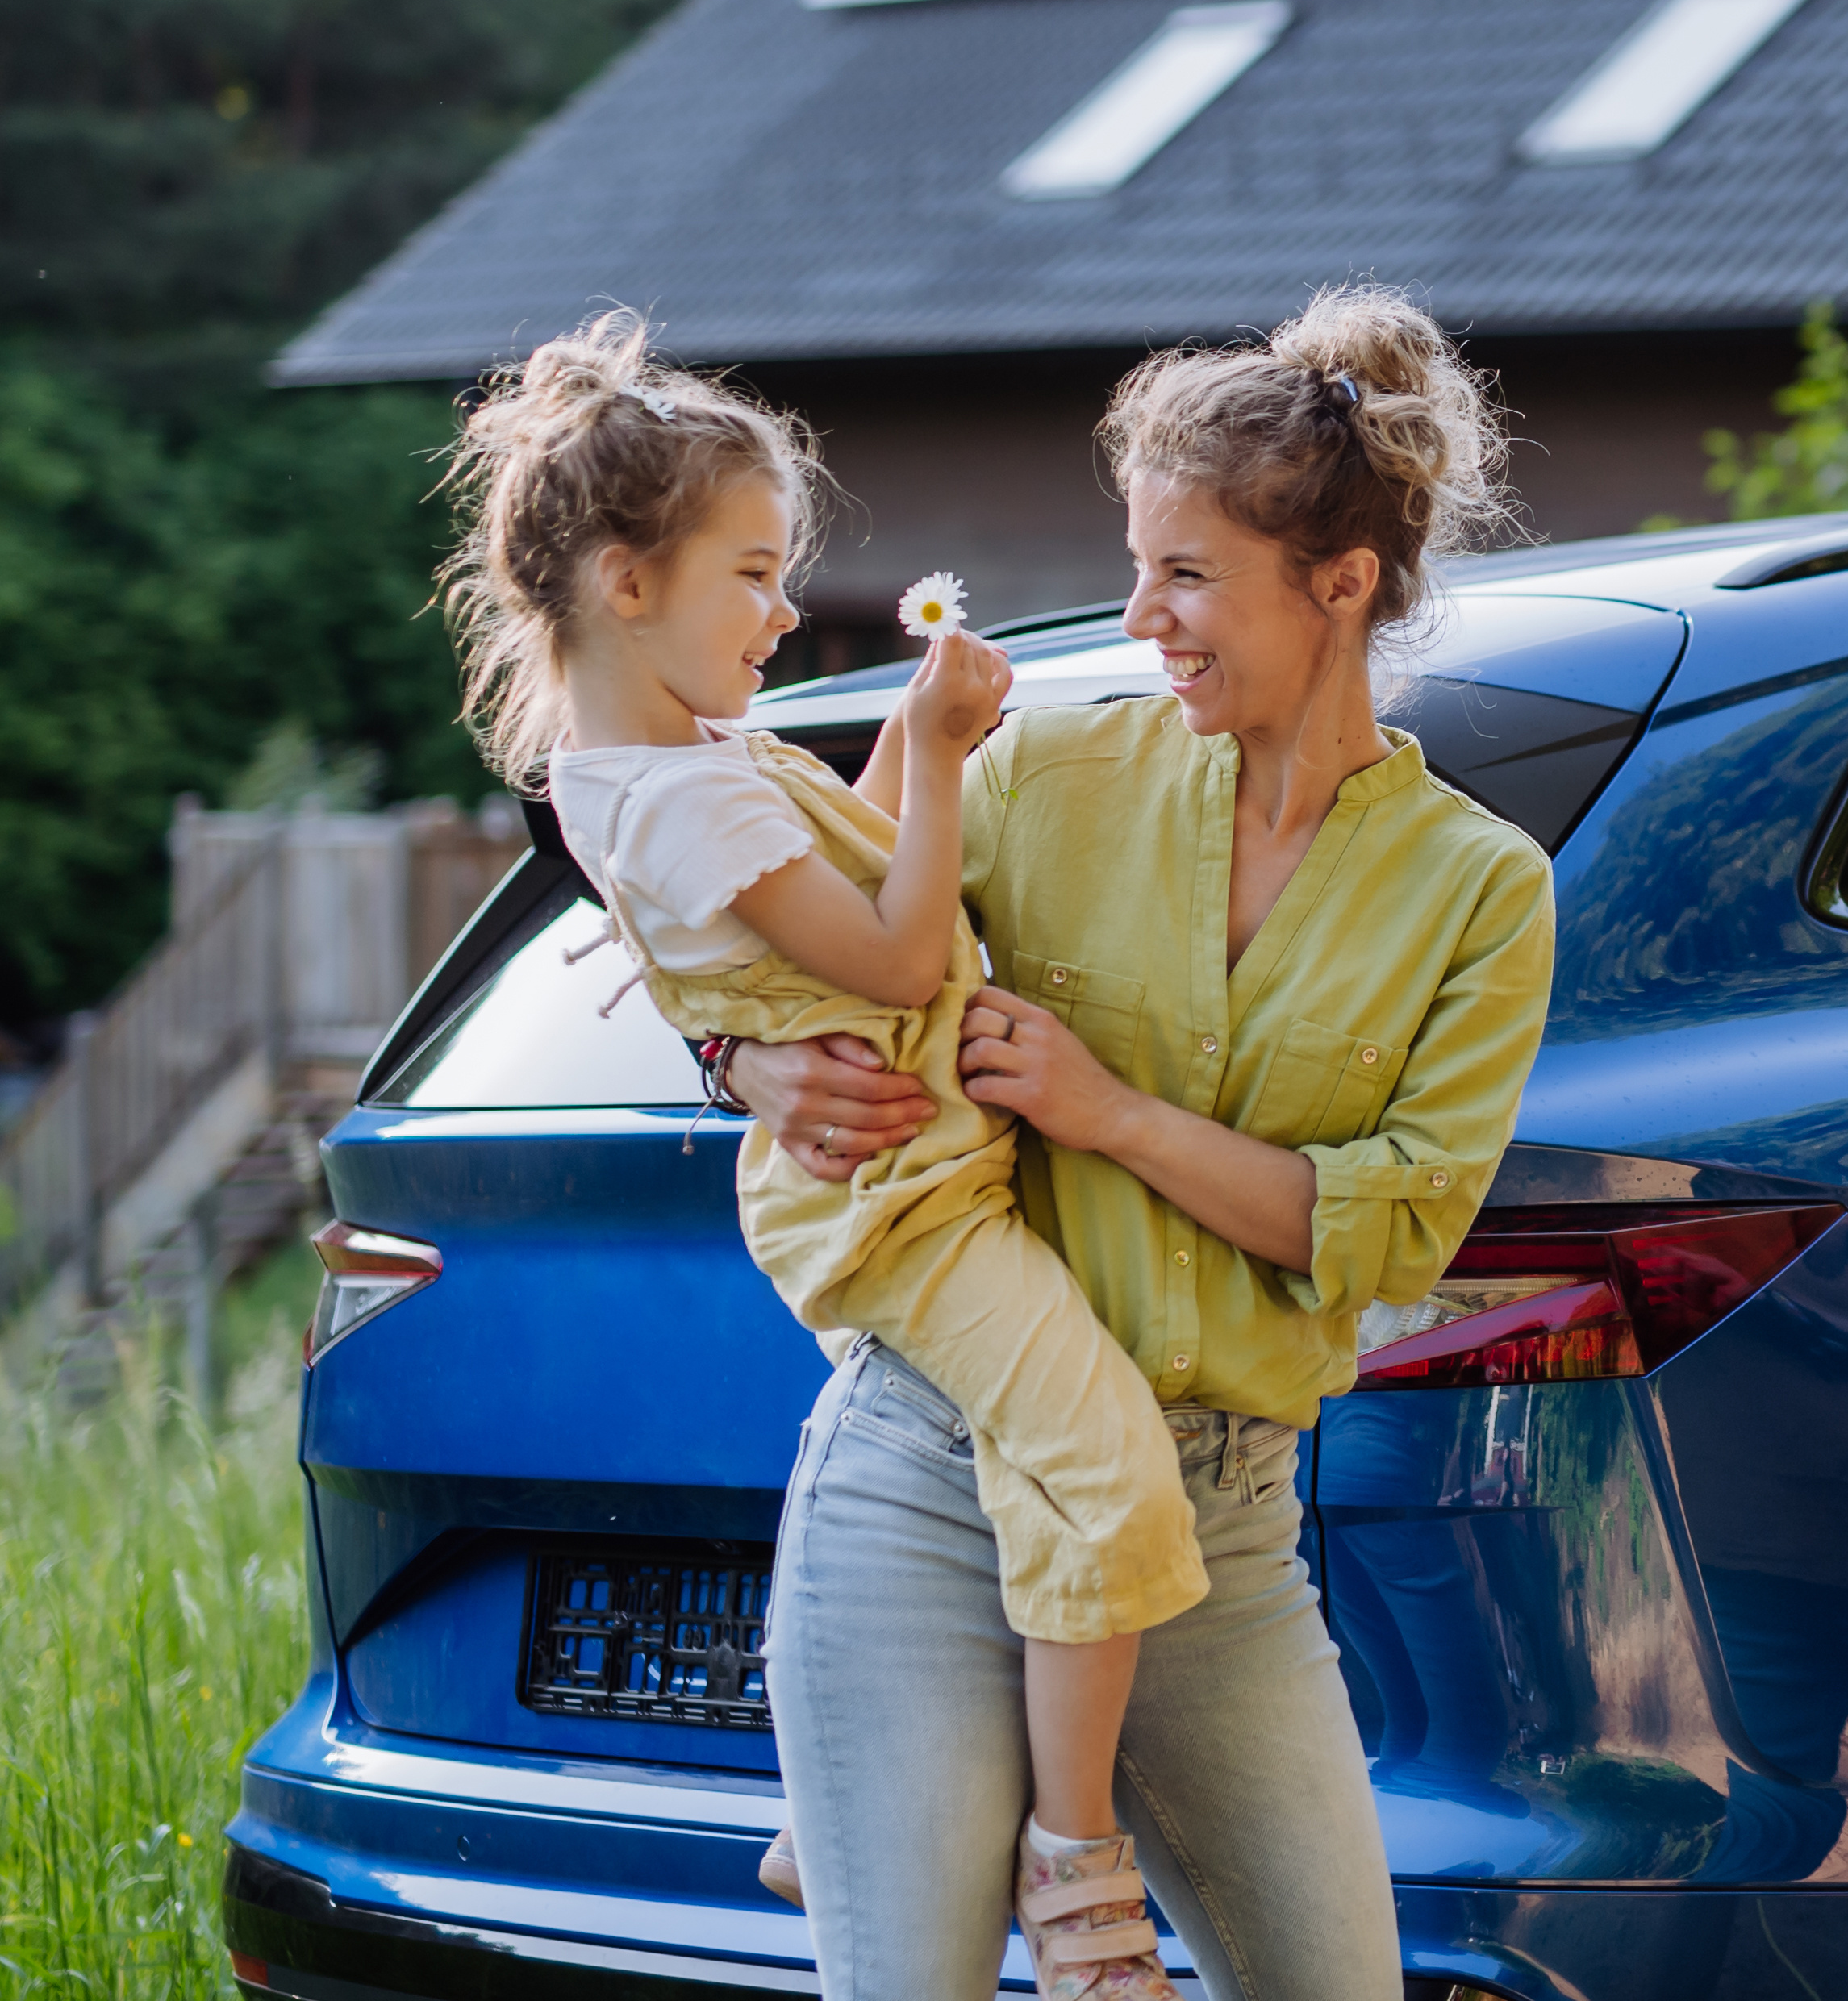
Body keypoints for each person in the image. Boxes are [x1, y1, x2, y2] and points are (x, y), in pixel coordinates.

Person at [727, 286, 1557, 2001]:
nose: (1140, 615)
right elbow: (792, 939)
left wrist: (1108, 1111)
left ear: (1340, 583)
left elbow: (1385, 1232)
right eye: (1140, 563)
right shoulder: (1041, 772)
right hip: (933, 1481)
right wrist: (749, 1061)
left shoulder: (1482, 891)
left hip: (1218, 1528)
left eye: (1187, 573)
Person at [440, 311, 1202, 2001]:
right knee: (1109, 1473)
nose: (785, 610)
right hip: (906, 1195)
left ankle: (837, 1785)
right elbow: (902, 955)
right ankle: (1073, 1872)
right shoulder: (676, 790)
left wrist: (907, 778)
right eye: (756, 572)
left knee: (984, 1479)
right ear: (628, 580)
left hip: (896, 1171)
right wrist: (932, 754)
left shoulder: (660, 757)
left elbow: (824, 881)